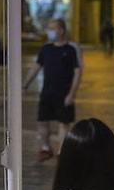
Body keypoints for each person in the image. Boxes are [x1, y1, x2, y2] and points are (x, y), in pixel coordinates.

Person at [23, 18, 82, 163]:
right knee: (42, 121)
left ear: (61, 30)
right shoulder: (46, 49)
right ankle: (45, 148)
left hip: (64, 93)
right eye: (48, 28)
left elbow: (77, 72)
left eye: (52, 28)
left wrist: (72, 94)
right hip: (47, 93)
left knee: (64, 123)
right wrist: (24, 84)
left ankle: (62, 151)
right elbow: (36, 67)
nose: (49, 31)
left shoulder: (71, 49)